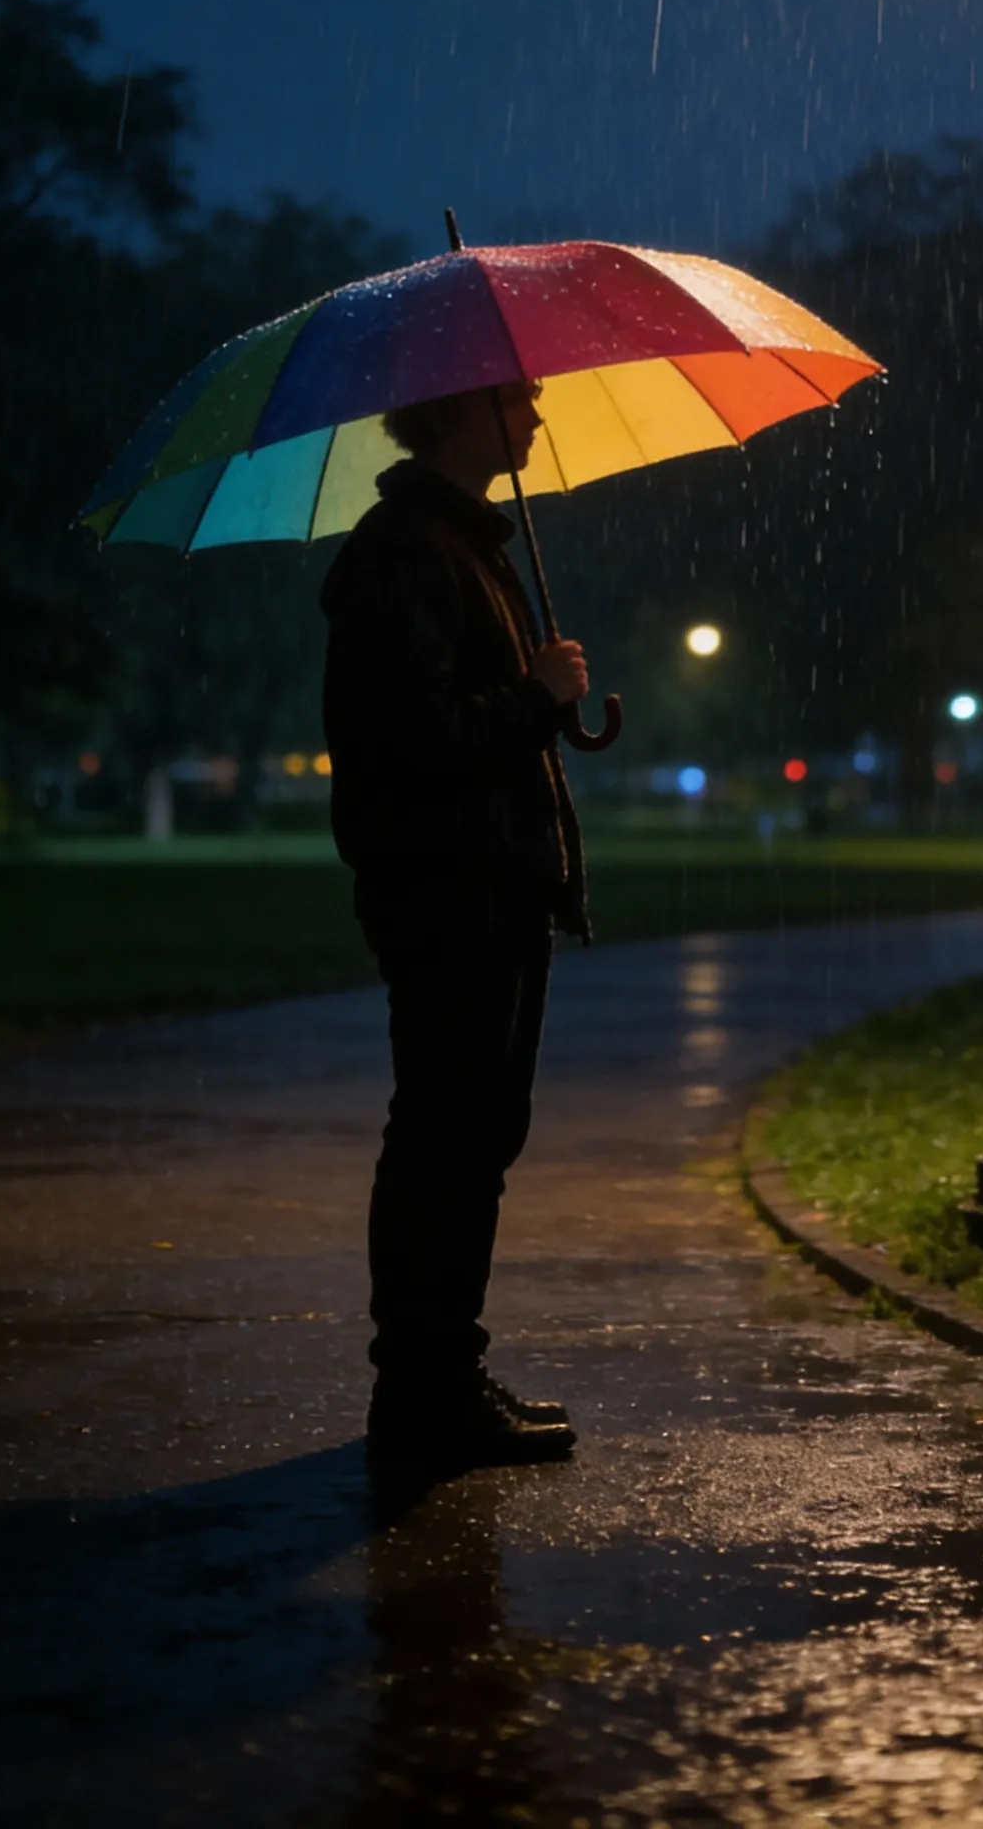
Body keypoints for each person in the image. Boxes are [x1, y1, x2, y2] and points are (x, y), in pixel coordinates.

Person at [320, 376, 590, 1473]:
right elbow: (416, 740)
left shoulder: (467, 546)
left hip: (495, 888)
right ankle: (425, 1389)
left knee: (475, 1135)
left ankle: (443, 1377)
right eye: (521, 399)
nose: (537, 417)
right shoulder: (401, 555)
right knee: (446, 1135)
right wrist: (533, 696)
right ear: (461, 412)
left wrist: (542, 697)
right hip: (451, 893)